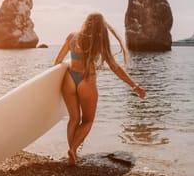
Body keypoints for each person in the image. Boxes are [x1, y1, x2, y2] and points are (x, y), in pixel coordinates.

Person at [54, 12, 146, 165]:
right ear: (101, 28)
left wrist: (54, 86)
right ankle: (73, 151)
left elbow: (58, 61)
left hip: (69, 78)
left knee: (74, 118)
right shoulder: (100, 42)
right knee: (88, 120)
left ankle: (73, 152)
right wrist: (134, 86)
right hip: (87, 80)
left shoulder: (72, 36)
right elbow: (115, 68)